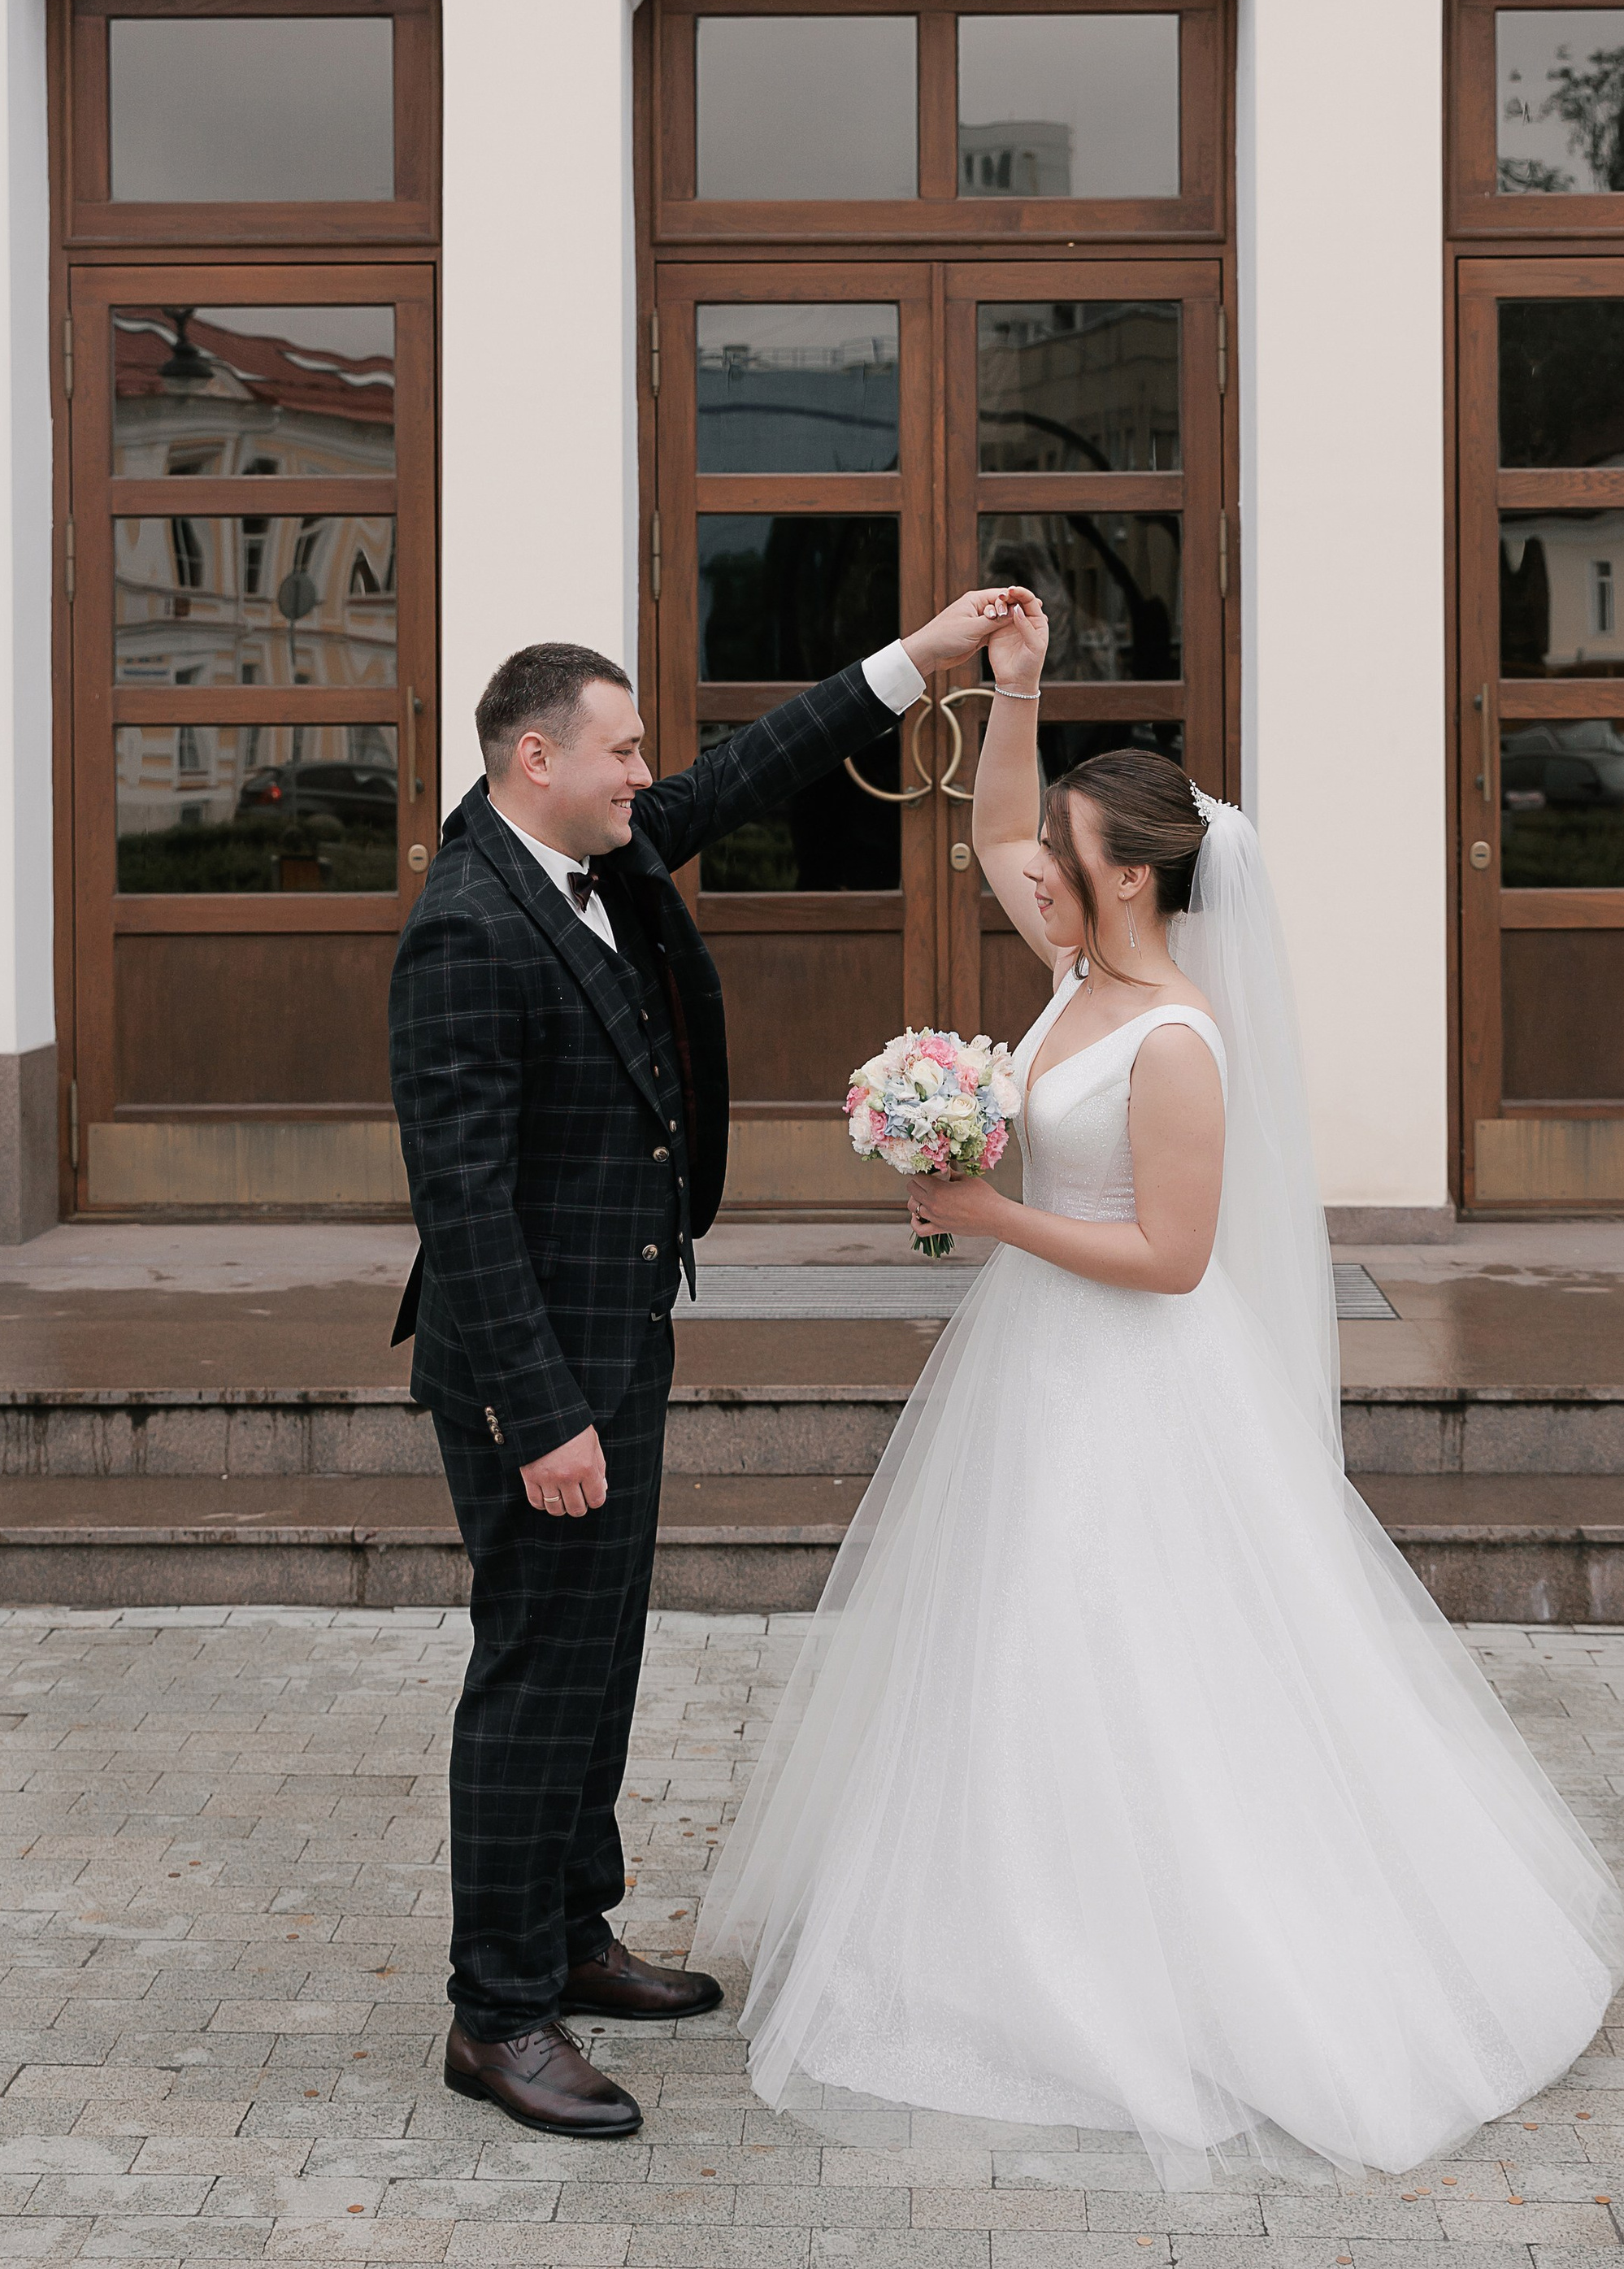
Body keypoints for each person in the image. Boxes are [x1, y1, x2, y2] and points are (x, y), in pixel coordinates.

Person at [696, 590, 1624, 2186]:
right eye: (1045, 852)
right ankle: (1002, 1927)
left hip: (1137, 1380)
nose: (1034, 868)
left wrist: (983, 1212)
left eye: (1065, 852)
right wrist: (1014, 694)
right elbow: (992, 821)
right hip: (1040, 1369)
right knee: (1016, 1647)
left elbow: (1174, 1257)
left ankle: (1183, 1958)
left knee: (1134, 1650)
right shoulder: (1074, 970)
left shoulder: (1176, 1040)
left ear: (1132, 876)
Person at [389, 592, 1018, 2139]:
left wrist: (918, 662)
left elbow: (743, 776)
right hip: (530, 1371)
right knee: (536, 1673)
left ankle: (574, 1931)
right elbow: (460, 1205)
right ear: (535, 757)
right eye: (621, 751)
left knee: (599, 1657)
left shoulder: (588, 848)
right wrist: (542, 1416)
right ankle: (497, 2013)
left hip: (622, 1330)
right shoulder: (470, 922)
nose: (643, 773)